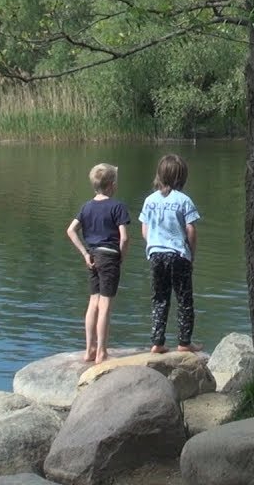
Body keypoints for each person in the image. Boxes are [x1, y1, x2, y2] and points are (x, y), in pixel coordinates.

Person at [65, 163, 130, 364]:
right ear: (112, 185)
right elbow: (125, 238)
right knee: (105, 305)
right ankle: (102, 351)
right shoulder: (117, 206)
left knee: (93, 302)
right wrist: (121, 256)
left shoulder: (86, 207)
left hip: (92, 256)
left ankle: (89, 349)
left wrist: (85, 253)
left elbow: (70, 230)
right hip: (109, 256)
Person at [140, 154, 202, 354]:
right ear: (182, 177)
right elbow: (191, 230)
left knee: (160, 298)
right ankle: (184, 342)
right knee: (184, 299)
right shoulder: (184, 200)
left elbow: (144, 228)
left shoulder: (150, 200)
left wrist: (153, 245)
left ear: (160, 175)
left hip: (156, 254)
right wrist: (191, 254)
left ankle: (157, 342)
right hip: (178, 255)